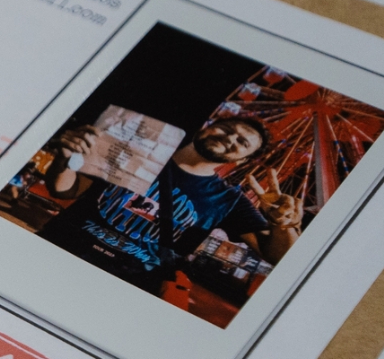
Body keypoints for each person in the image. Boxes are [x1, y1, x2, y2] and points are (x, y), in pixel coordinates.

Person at [36, 115, 303, 294]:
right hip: (58, 251)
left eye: (242, 142)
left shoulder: (229, 201)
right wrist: (65, 159)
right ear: (206, 126)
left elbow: (280, 256)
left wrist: (285, 225)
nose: (229, 138)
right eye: (227, 129)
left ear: (242, 160)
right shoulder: (130, 153)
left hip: (125, 286)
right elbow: (66, 189)